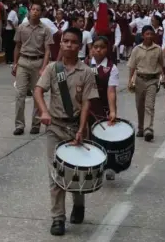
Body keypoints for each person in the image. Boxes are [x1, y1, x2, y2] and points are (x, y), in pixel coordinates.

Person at [33, 27, 98, 236]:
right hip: (55, 127)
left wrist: (81, 129)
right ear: (60, 43)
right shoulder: (53, 69)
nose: (69, 45)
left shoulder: (86, 71)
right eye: (66, 41)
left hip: (76, 128)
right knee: (55, 174)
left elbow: (87, 103)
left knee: (78, 172)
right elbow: (38, 91)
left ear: (80, 46)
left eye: (73, 42)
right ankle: (58, 218)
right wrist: (43, 111)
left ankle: (78, 204)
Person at [12, 2, 53, 135]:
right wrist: (15, 63)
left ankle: (35, 124)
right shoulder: (21, 27)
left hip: (38, 62)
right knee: (20, 95)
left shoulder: (45, 29)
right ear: (29, 11)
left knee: (37, 95)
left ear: (41, 13)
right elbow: (17, 46)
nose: (35, 11)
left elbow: (47, 50)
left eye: (38, 9)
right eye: (33, 9)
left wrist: (44, 67)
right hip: (23, 61)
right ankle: (19, 125)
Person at [87, 36, 118, 179]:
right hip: (85, 106)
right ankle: (90, 166)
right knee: (87, 137)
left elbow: (111, 91)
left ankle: (109, 166)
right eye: (95, 47)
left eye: (102, 47)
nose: (98, 50)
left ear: (107, 49)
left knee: (104, 138)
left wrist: (112, 111)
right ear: (91, 48)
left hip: (102, 107)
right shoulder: (85, 64)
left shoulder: (112, 67)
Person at [127, 26, 165, 142]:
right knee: (140, 106)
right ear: (142, 35)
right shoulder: (136, 49)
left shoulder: (158, 49)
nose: (149, 36)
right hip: (139, 80)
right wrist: (130, 80)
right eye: (147, 34)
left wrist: (164, 78)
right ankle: (141, 128)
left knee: (149, 105)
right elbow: (132, 66)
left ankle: (148, 129)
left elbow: (163, 65)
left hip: (152, 81)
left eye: (151, 34)